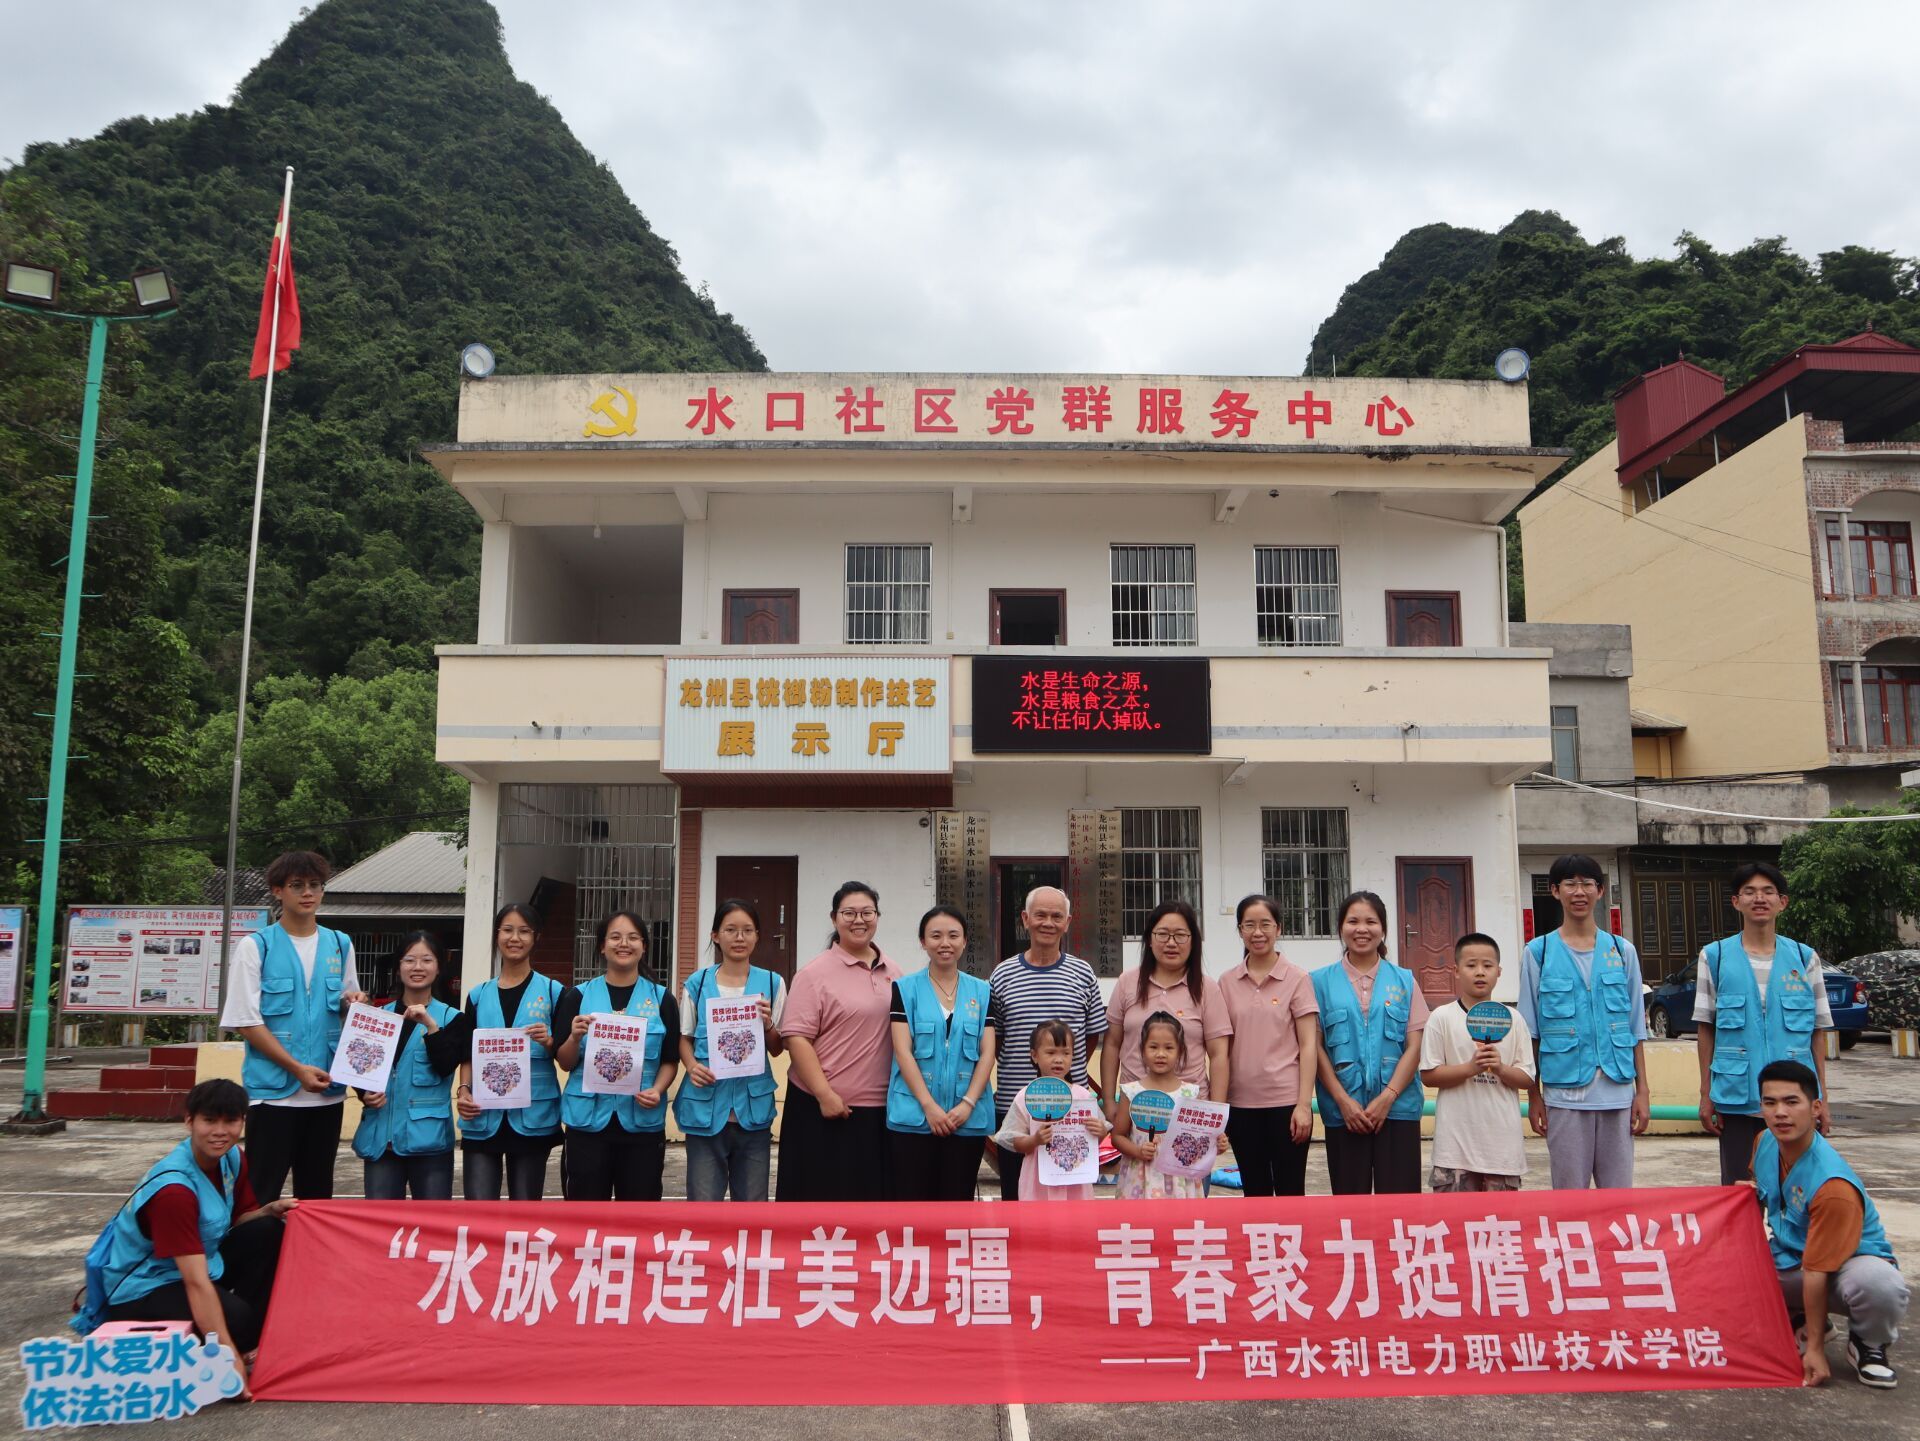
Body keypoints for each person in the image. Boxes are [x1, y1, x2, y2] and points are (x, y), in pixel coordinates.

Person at [95, 1080, 297, 1396]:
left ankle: (243, 1333)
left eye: (230, 1121)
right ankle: (235, 1341)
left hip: (199, 1264)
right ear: (189, 1121)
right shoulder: (174, 1193)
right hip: (144, 1289)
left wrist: (268, 1210)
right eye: (209, 1120)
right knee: (240, 1322)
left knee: (268, 1230)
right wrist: (228, 1358)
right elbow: (195, 1282)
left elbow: (236, 1220)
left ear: (242, 1121)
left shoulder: (231, 1158)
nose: (220, 1131)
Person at [218, 850, 364, 1205]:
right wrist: (297, 1069)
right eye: (297, 885)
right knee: (260, 1196)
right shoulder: (256, 946)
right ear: (277, 891)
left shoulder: (340, 943)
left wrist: (355, 1003)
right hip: (273, 1095)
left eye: (315, 884)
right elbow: (246, 1022)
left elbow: (350, 1014)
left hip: (327, 1094)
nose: (307, 893)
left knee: (316, 1199)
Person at [1751, 1060, 1907, 1390]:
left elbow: (1817, 1270)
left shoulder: (1832, 1186)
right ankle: (1806, 1320)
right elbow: (1765, 1190)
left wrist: (1816, 1352)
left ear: (1816, 1108)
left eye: (1791, 1102)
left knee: (1880, 1286)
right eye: (1770, 1102)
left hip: (1847, 1267)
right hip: (1794, 1259)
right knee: (1730, 1271)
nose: (1780, 1113)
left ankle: (1868, 1343)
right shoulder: (1764, 1142)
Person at [1696, 861, 1834, 1185]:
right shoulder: (1714, 957)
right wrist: (1705, 1093)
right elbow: (1705, 1029)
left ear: (1782, 902)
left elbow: (1817, 1034)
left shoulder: (1804, 958)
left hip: (1794, 1103)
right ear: (1736, 901)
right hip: (1736, 1102)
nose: (1759, 898)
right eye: (1750, 892)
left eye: (1768, 892)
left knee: (1796, 1192)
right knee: (1741, 1192)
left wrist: (1823, 1098)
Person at [1518, 854, 1650, 1189]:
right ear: (1555, 891)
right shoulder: (1538, 953)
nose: (1579, 892)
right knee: (1569, 1199)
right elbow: (1530, 1032)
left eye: (1587, 884)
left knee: (1617, 1199)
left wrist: (1643, 1092)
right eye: (1570, 884)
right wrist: (1534, 1096)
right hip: (1564, 1095)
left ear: (1600, 891)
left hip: (1618, 1092)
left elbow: (1636, 1027)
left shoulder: (1622, 951)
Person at [777, 881, 901, 1202]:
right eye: (849, 913)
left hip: (881, 1112)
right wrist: (825, 1095)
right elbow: (797, 1039)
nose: (859, 920)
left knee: (873, 1209)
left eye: (867, 913)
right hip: (822, 1109)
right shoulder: (813, 974)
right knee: (820, 1208)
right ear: (834, 918)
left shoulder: (895, 972)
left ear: (877, 916)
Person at [987, 886, 1108, 1201]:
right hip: (1015, 1108)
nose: (1048, 923)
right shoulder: (1002, 975)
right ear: (1025, 919)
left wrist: (1062, 1074)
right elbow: (994, 1039)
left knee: (1071, 1200)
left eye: (1057, 916)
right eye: (1040, 915)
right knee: (1018, 1200)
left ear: (1068, 922)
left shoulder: (1083, 973)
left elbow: (1091, 1036)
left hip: (1071, 1114)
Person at [555, 911, 679, 1201]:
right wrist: (574, 1038)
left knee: (639, 1212)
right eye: (615, 937)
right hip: (587, 1124)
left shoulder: (662, 999)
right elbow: (565, 1062)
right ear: (602, 946)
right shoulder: (577, 997)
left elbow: (670, 1060)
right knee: (585, 1211)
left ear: (644, 946)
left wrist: (658, 1089)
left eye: (633, 937)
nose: (624, 944)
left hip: (641, 1124)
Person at [1313, 890, 1427, 1194]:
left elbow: (1414, 1047)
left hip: (1398, 1109)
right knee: (1350, 1206)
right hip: (1344, 1113)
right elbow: (1315, 1048)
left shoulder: (1405, 980)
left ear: (1383, 929)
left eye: (1371, 922)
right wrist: (1343, 1101)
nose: (1361, 929)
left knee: (1401, 1207)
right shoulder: (1318, 982)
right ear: (1340, 927)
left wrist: (1388, 1098)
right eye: (1353, 921)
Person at [452, 902, 566, 1201]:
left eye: (524, 931)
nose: (515, 938)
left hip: (533, 1115)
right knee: (479, 1209)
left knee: (526, 1208)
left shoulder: (553, 992)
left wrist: (549, 1041)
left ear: (536, 937)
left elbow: (567, 1056)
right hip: (483, 1113)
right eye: (507, 930)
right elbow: (468, 1054)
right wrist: (464, 1090)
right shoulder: (478, 995)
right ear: (496, 935)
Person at [674, 899, 786, 1201]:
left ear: (757, 936)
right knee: (703, 1205)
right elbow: (684, 1037)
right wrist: (692, 1066)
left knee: (752, 1206)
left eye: (747, 930)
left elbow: (777, 1048)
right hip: (705, 1109)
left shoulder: (773, 983)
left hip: (753, 1111)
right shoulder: (697, 983)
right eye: (730, 930)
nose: (739, 937)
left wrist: (767, 1024)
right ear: (715, 936)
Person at [886, 906, 998, 1201]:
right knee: (913, 1203)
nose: (944, 943)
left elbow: (987, 1053)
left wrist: (968, 1104)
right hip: (914, 1116)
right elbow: (903, 1051)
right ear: (923, 941)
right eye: (935, 936)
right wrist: (929, 1107)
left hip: (966, 1118)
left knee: (957, 1203)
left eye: (953, 935)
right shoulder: (905, 989)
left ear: (964, 941)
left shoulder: (982, 991)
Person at [1218, 893, 1320, 1197]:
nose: (1257, 932)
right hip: (1241, 1106)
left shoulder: (1297, 978)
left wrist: (1304, 1105)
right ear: (1240, 930)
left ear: (1279, 928)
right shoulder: (1226, 982)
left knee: (1291, 1191)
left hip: (1286, 1105)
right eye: (1249, 925)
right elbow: (1221, 1049)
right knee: (1255, 1191)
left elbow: (1309, 1044)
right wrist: (1220, 1107)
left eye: (1265, 924)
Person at [351, 931, 463, 1200]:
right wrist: (364, 1094)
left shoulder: (453, 1018)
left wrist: (431, 1026)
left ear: (438, 968)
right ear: (398, 966)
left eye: (427, 960)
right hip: (381, 1141)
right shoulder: (377, 1017)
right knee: (380, 1221)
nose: (417, 967)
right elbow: (357, 1067)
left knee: (432, 1222)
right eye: (409, 960)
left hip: (430, 1142)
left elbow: (445, 1066)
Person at [1419, 933, 1534, 1192]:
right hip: (1454, 1150)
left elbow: (1527, 1078)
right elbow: (1429, 1075)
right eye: (1471, 965)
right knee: (1454, 1218)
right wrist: (1470, 1069)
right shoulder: (1441, 1017)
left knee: (1499, 1218)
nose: (1480, 972)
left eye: (1487, 965)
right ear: (1456, 971)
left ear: (1499, 972)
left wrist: (1501, 1068)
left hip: (1502, 1151)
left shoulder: (1514, 1019)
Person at [1100, 901, 1230, 1119]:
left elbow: (1219, 1055)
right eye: (1162, 934)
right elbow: (1112, 1044)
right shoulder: (1127, 982)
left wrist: (1216, 1112)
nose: (1171, 943)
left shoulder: (1207, 988)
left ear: (1193, 941)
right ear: (1150, 940)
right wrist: (1109, 1101)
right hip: (1134, 1108)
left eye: (1180, 935)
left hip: (1190, 1111)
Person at [992, 1021, 1110, 1201]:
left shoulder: (1083, 1096)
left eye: (1066, 1053)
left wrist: (1100, 1132)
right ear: (1034, 1055)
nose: (1059, 1059)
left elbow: (1094, 1139)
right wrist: (1034, 1140)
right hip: (1038, 1180)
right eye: (1051, 1052)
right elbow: (1012, 1140)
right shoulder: (1026, 1097)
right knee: (1038, 1219)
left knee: (1076, 1218)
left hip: (1075, 1180)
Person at [1110, 1012, 1205, 1200]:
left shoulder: (1190, 1093)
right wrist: (1138, 1151)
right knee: (1140, 1219)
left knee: (1179, 1219)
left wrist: (1217, 1144)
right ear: (1142, 1050)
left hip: (1180, 1182)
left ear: (1180, 1051)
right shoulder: (1132, 1091)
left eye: (1169, 1048)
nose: (1160, 1054)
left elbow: (1199, 1140)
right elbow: (1117, 1136)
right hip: (1140, 1180)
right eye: (1153, 1047)